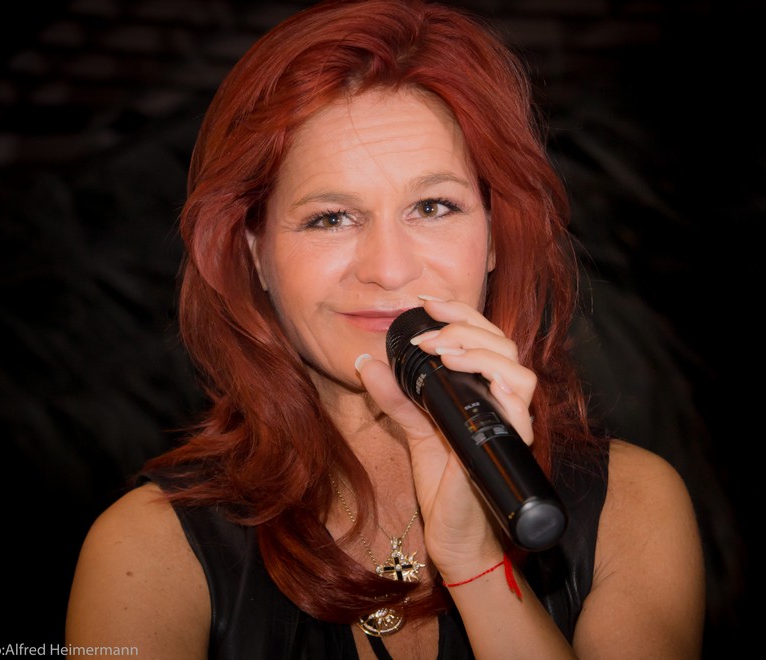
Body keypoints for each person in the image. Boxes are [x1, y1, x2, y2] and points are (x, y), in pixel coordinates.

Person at [65, 1, 705, 657]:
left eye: (433, 207)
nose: (389, 268)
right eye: (331, 217)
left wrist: (476, 565)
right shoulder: (146, 551)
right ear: (254, 252)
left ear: (494, 236)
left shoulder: (632, 504)